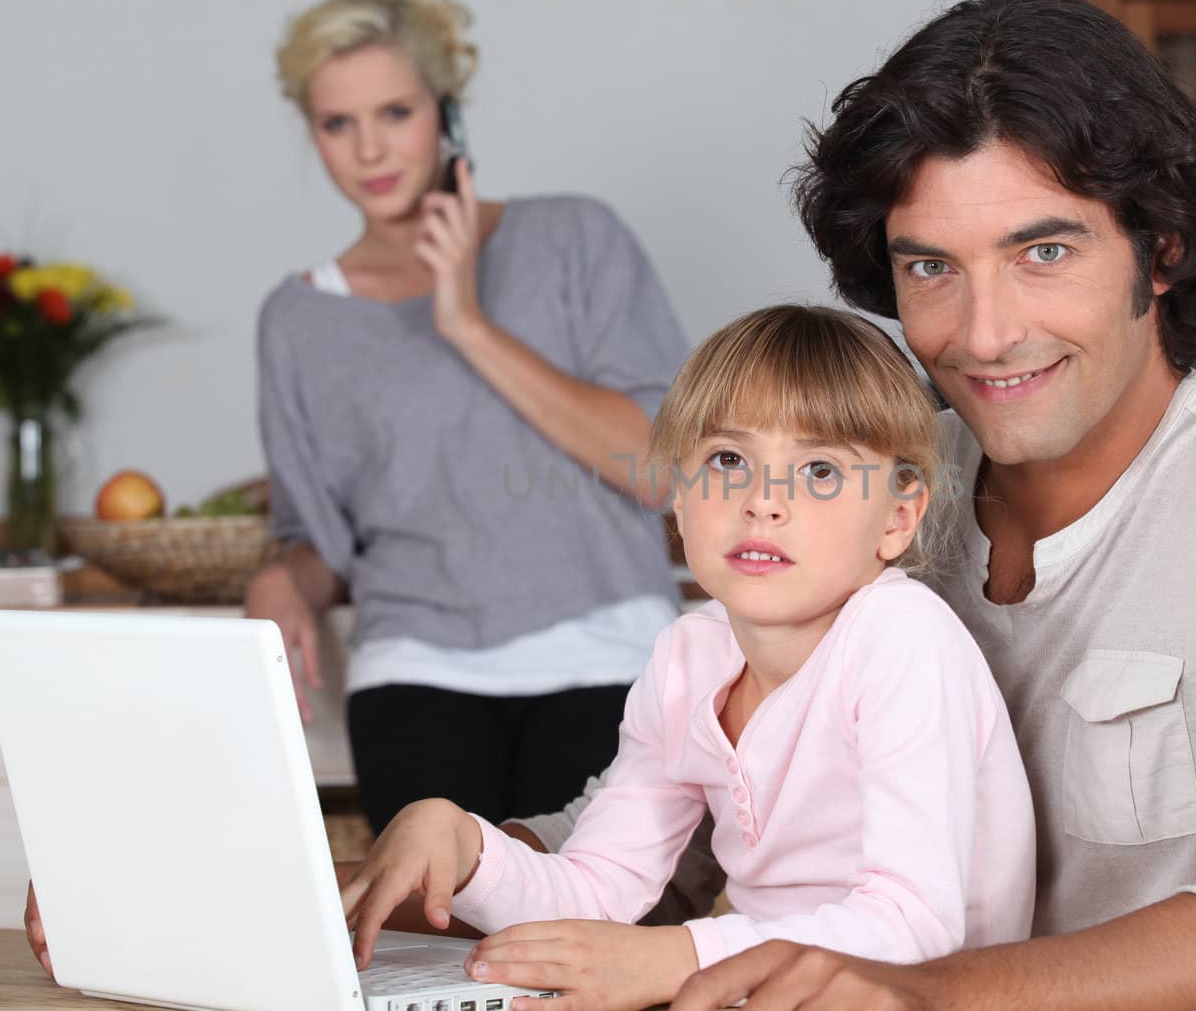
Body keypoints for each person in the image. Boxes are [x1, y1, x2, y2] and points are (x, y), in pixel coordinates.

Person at [481, 0, 1196, 1011]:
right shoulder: (878, 485)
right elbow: (700, 805)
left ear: (1160, 248)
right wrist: (473, 864)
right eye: (930, 266)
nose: (981, 333)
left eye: (1043, 251)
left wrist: (925, 988)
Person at [338, 305, 1036, 1008]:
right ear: (678, 495)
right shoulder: (687, 656)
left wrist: (682, 954)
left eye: (820, 469)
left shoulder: (903, 637)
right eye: (728, 459)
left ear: (897, 516)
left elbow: (913, 924)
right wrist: (464, 849)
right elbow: (598, 890)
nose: (764, 501)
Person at [249, 0, 689, 832]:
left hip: (607, 650)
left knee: (578, 938)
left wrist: (468, 323)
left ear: (446, 111)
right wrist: (279, 575)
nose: (369, 151)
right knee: (435, 942)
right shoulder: (297, 319)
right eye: (338, 123)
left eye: (395, 114)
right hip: (414, 663)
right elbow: (322, 542)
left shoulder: (575, 238)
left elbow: (660, 467)